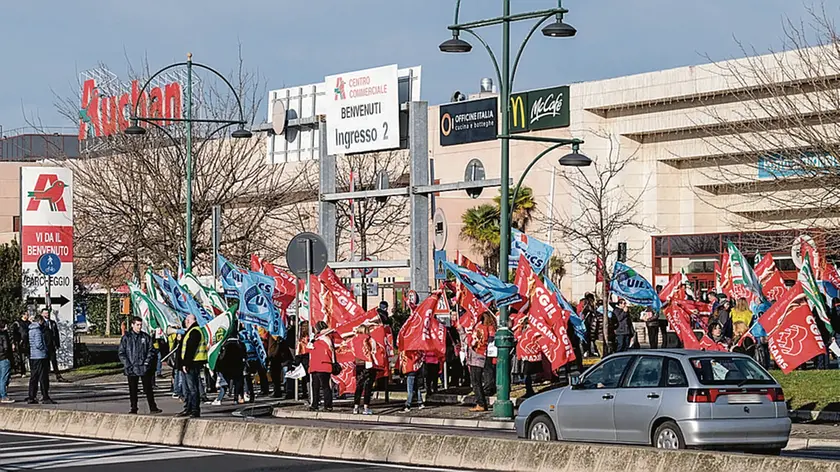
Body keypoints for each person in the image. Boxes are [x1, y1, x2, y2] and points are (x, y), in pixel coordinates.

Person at [118, 316, 161, 414]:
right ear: (132, 325)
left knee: (148, 388)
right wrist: (128, 364)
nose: (139, 327)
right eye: (137, 325)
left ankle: (153, 407)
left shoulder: (145, 337)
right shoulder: (127, 338)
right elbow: (121, 352)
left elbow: (151, 351)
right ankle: (134, 407)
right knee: (133, 389)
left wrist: (146, 363)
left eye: (140, 325)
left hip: (143, 367)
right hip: (132, 367)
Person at [177, 314, 206, 418]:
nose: (185, 322)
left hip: (193, 364)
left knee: (192, 388)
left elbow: (190, 349)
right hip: (191, 363)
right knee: (188, 389)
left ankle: (194, 410)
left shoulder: (194, 331)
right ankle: (188, 408)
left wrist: (186, 364)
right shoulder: (191, 331)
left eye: (186, 320)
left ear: (189, 321)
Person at [467, 312, 495, 412]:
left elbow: (474, 340)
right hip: (483, 354)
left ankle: (481, 403)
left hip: (477, 354)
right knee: (478, 380)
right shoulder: (491, 326)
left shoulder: (480, 326)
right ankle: (481, 402)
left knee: (475, 381)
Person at [308, 321, 335, 412]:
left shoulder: (326, 338)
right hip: (316, 365)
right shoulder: (317, 338)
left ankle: (327, 405)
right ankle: (315, 404)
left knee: (324, 386)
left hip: (323, 364)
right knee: (317, 387)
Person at [27, 315, 53, 404]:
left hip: (33, 355)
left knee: (34, 376)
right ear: (40, 321)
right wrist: (45, 349)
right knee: (43, 377)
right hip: (40, 356)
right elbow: (39, 344)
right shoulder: (37, 330)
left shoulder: (30, 330)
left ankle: (31, 396)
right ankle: (45, 396)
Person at [216, 329, 247, 404]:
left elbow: (221, 357)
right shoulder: (240, 344)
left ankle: (220, 398)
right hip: (238, 365)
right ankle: (237, 397)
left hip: (227, 366)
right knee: (238, 382)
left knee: (225, 382)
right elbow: (244, 355)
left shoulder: (225, 344)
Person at [352, 325, 376, 415]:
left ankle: (356, 407)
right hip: (368, 363)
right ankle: (366, 407)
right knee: (368, 386)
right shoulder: (369, 339)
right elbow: (374, 351)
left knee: (359, 386)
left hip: (358, 364)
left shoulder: (354, 340)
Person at [42, 309, 65, 382]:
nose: (47, 314)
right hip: (45, 345)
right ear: (42, 314)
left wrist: (57, 344)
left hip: (52, 345)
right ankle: (45, 377)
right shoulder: (41, 323)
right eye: (45, 313)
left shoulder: (52, 323)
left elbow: (56, 334)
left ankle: (58, 376)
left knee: (54, 361)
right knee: (46, 362)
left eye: (48, 313)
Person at [268, 333, 293, 398]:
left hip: (282, 357)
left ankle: (288, 392)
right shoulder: (271, 335)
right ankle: (277, 391)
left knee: (287, 376)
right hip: (275, 358)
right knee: (275, 376)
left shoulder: (280, 336)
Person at [11, 312, 29, 378]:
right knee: (22, 358)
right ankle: (23, 371)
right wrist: (14, 343)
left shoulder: (28, 323)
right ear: (23, 315)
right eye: (26, 315)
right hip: (21, 343)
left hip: (28, 342)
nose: (27, 316)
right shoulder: (17, 323)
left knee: (30, 357)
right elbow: (14, 334)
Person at [0, 321, 14, 403]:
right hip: (4, 358)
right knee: (4, 378)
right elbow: (6, 347)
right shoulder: (3, 335)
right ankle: (4, 396)